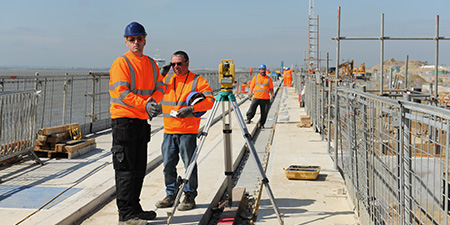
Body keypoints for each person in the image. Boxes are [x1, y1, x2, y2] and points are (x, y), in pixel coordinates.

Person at [109, 21, 165, 225]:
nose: (136, 43)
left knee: (139, 168)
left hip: (141, 121)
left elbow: (160, 86)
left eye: (139, 39)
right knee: (125, 169)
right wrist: (145, 104)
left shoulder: (150, 63)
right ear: (126, 42)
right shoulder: (121, 63)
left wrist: (152, 102)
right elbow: (122, 93)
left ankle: (135, 208)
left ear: (145, 40)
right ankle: (125, 215)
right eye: (132, 40)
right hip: (124, 122)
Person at [154, 50, 215, 211]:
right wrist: (160, 73)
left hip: (187, 131)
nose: (176, 67)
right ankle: (171, 194)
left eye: (179, 64)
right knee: (168, 165)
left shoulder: (197, 80)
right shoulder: (166, 79)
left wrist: (192, 108)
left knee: (189, 165)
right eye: (173, 64)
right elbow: (151, 87)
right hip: (168, 130)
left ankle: (189, 195)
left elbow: (210, 100)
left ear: (187, 63)